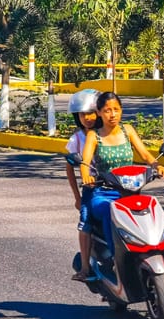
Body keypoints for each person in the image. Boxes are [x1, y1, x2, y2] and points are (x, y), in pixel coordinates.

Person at [80, 92, 164, 271]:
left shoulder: (127, 130)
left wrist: (158, 166)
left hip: (130, 191)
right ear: (98, 112)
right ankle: (117, 260)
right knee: (109, 211)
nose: (112, 114)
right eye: (107, 110)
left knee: (153, 210)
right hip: (104, 193)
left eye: (116, 110)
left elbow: (145, 155)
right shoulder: (94, 135)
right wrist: (86, 176)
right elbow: (85, 162)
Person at [65, 89, 102, 282]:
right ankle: (86, 268)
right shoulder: (77, 139)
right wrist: (77, 197)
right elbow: (70, 169)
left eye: (91, 112)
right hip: (92, 188)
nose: (87, 118)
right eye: (82, 114)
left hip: (118, 185)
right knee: (85, 223)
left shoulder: (109, 134)